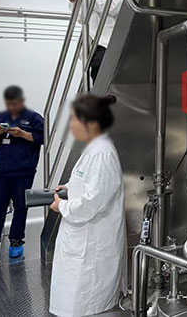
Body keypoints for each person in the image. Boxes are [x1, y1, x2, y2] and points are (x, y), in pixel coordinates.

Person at [49, 95, 126, 317]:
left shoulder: (102, 153)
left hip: (91, 248)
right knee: (75, 302)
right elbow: (91, 183)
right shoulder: (93, 149)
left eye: (74, 119)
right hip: (81, 242)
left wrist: (61, 206)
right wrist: (69, 186)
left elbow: (92, 203)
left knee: (87, 306)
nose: (71, 125)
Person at [0, 85, 45, 258]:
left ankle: (16, 241)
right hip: (1, 172)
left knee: (20, 206)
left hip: (23, 172)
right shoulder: (0, 117)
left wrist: (22, 134)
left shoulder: (34, 118)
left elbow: (43, 138)